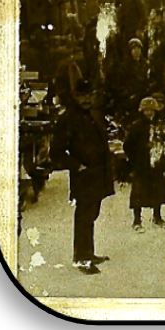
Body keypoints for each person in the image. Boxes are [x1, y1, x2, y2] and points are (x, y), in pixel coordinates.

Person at [51, 79, 114, 275]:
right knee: (84, 216)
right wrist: (76, 165)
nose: (86, 99)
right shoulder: (68, 119)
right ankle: (81, 258)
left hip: (98, 174)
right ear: (75, 96)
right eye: (82, 95)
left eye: (89, 95)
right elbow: (56, 152)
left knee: (92, 214)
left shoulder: (93, 114)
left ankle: (89, 253)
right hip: (84, 176)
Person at [123, 97, 165, 232]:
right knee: (139, 192)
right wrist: (136, 158)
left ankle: (157, 216)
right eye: (146, 110)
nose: (149, 113)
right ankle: (137, 220)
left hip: (157, 164)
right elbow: (127, 145)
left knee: (158, 190)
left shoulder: (160, 126)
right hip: (141, 164)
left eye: (152, 110)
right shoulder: (136, 126)